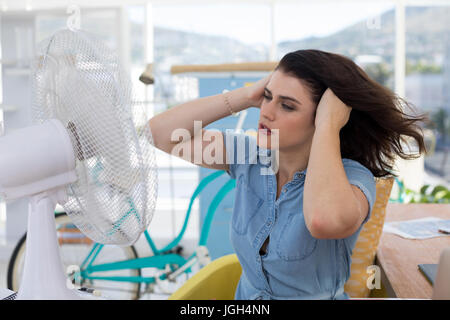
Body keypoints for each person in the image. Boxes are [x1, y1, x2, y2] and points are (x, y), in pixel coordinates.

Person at [148, 49, 427, 300]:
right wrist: (245, 97)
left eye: (287, 105)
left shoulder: (354, 177)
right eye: (268, 97)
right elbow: (161, 135)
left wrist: (328, 125)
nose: (266, 112)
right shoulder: (250, 156)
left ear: (324, 117)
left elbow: (323, 221)